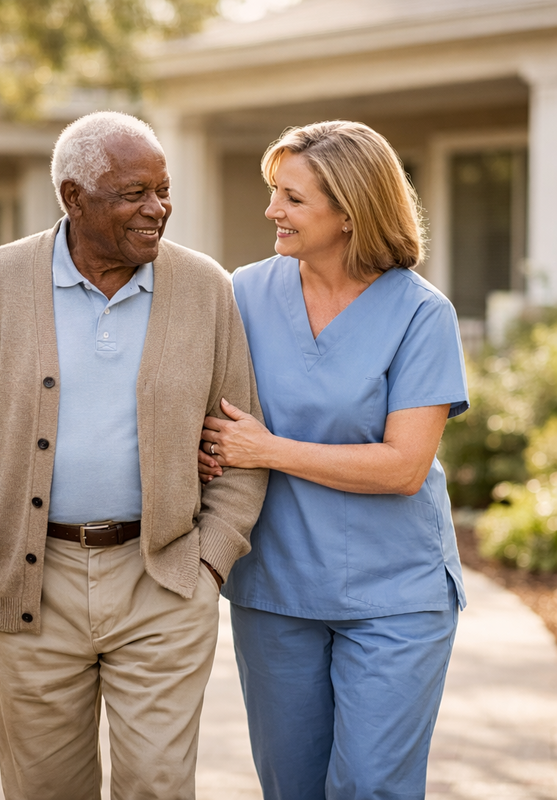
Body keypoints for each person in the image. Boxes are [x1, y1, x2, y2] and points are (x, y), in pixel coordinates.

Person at [0, 111, 267, 800]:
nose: (157, 209)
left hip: (163, 579)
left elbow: (241, 441)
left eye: (163, 190)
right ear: (74, 198)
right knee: (45, 789)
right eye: (134, 193)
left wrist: (210, 563)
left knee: (158, 785)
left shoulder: (204, 289)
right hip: (29, 584)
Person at [198, 120, 469, 800]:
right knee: (291, 788)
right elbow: (200, 415)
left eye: (292, 198)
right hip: (276, 587)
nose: (271, 212)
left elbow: (404, 466)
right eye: (273, 192)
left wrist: (266, 449)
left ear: (349, 212)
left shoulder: (420, 315)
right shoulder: (242, 295)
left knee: (371, 787)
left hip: (394, 593)